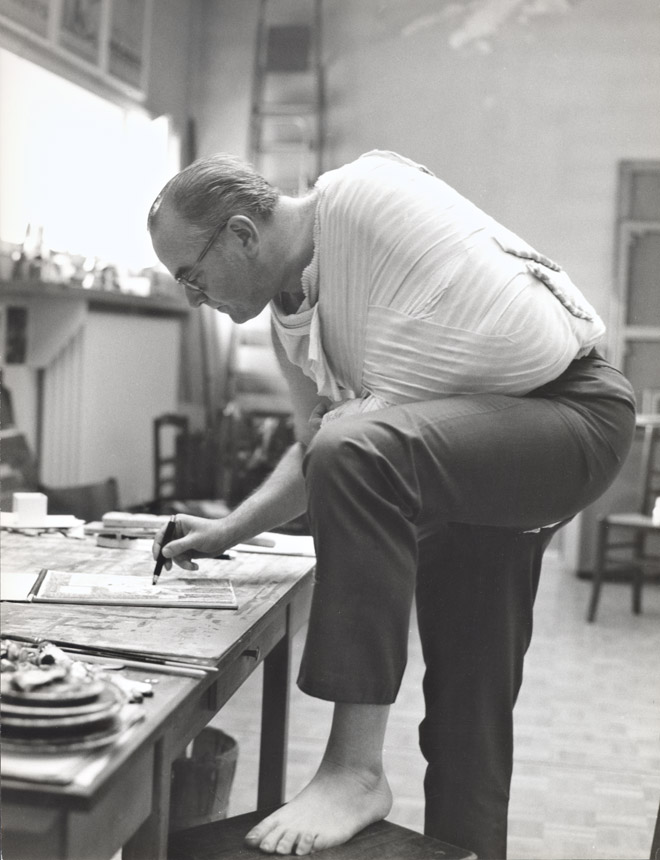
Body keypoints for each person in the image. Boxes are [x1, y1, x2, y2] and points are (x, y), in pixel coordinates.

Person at [147, 150, 635, 858]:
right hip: (462, 459)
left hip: (570, 414)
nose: (194, 298)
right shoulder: (289, 316)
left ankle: (355, 770)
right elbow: (316, 449)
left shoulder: (362, 196)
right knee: (466, 722)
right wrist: (229, 530)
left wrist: (364, 417)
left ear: (243, 234)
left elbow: (530, 344)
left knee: (357, 447)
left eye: (190, 275)